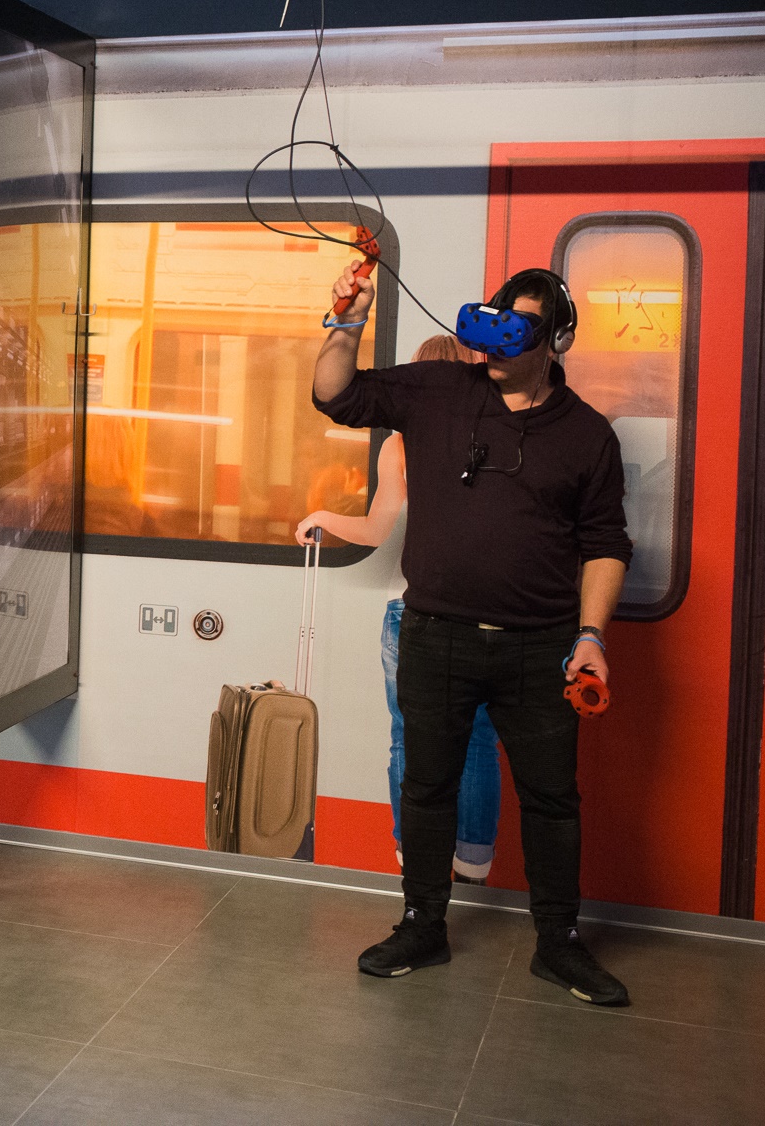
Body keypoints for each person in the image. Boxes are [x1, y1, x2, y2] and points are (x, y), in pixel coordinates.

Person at [313, 263, 634, 1006]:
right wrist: (347, 319)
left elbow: (605, 543)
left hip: (540, 645)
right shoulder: (437, 390)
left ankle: (559, 942)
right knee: (427, 786)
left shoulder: (587, 435)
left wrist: (591, 635)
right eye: (492, 320)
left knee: (551, 799)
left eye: (516, 328)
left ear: (555, 340)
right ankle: (422, 925)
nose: (494, 342)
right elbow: (336, 393)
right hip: (435, 634)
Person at [299, 335, 500, 884]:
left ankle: (415, 859)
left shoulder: (402, 443)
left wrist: (322, 516)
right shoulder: (496, 436)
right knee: (477, 736)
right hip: (484, 612)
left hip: (408, 609)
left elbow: (375, 529)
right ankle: (473, 862)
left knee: (407, 735)